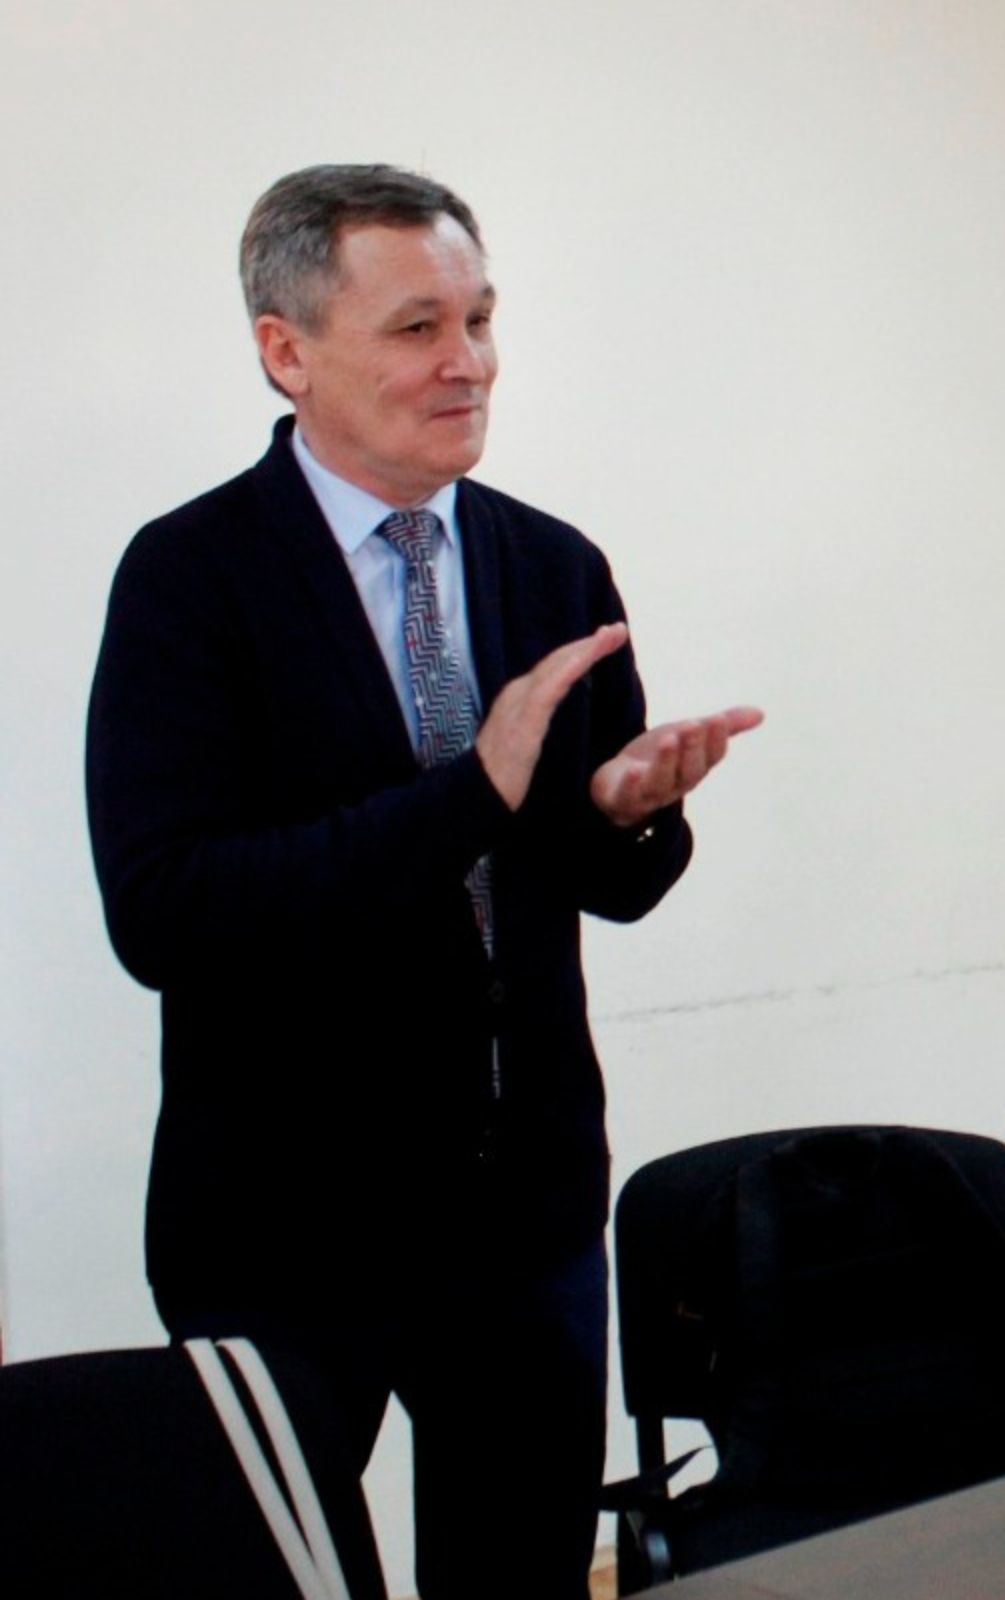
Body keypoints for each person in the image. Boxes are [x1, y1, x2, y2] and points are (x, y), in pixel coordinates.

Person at [85, 164, 761, 1597]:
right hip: (283, 1229)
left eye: (481, 319)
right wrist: (470, 794)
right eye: (416, 328)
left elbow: (601, 885)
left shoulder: (550, 565)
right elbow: (165, 910)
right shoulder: (191, 578)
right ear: (287, 351)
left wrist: (625, 815)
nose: (468, 363)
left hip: (523, 1221)